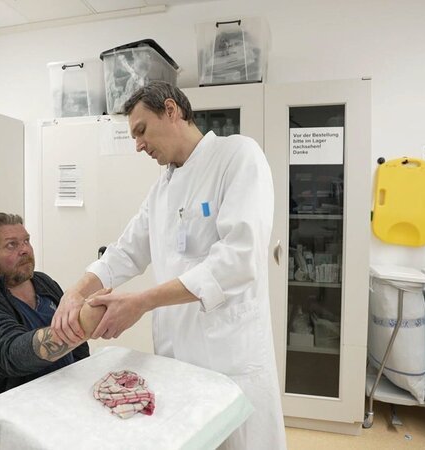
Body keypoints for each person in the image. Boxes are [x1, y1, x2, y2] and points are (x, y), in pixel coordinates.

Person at [52, 81, 286, 449]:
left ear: (172, 110)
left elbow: (238, 259)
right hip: (178, 357)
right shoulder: (162, 188)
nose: (139, 145)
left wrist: (141, 302)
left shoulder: (237, 156)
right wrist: (76, 291)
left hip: (230, 357)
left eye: (141, 130)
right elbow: (125, 250)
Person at [0, 212, 105, 449]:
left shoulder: (43, 283)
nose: (25, 250)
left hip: (57, 404)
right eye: (12, 245)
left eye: (26, 241)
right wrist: (82, 324)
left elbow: (79, 351)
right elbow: (11, 353)